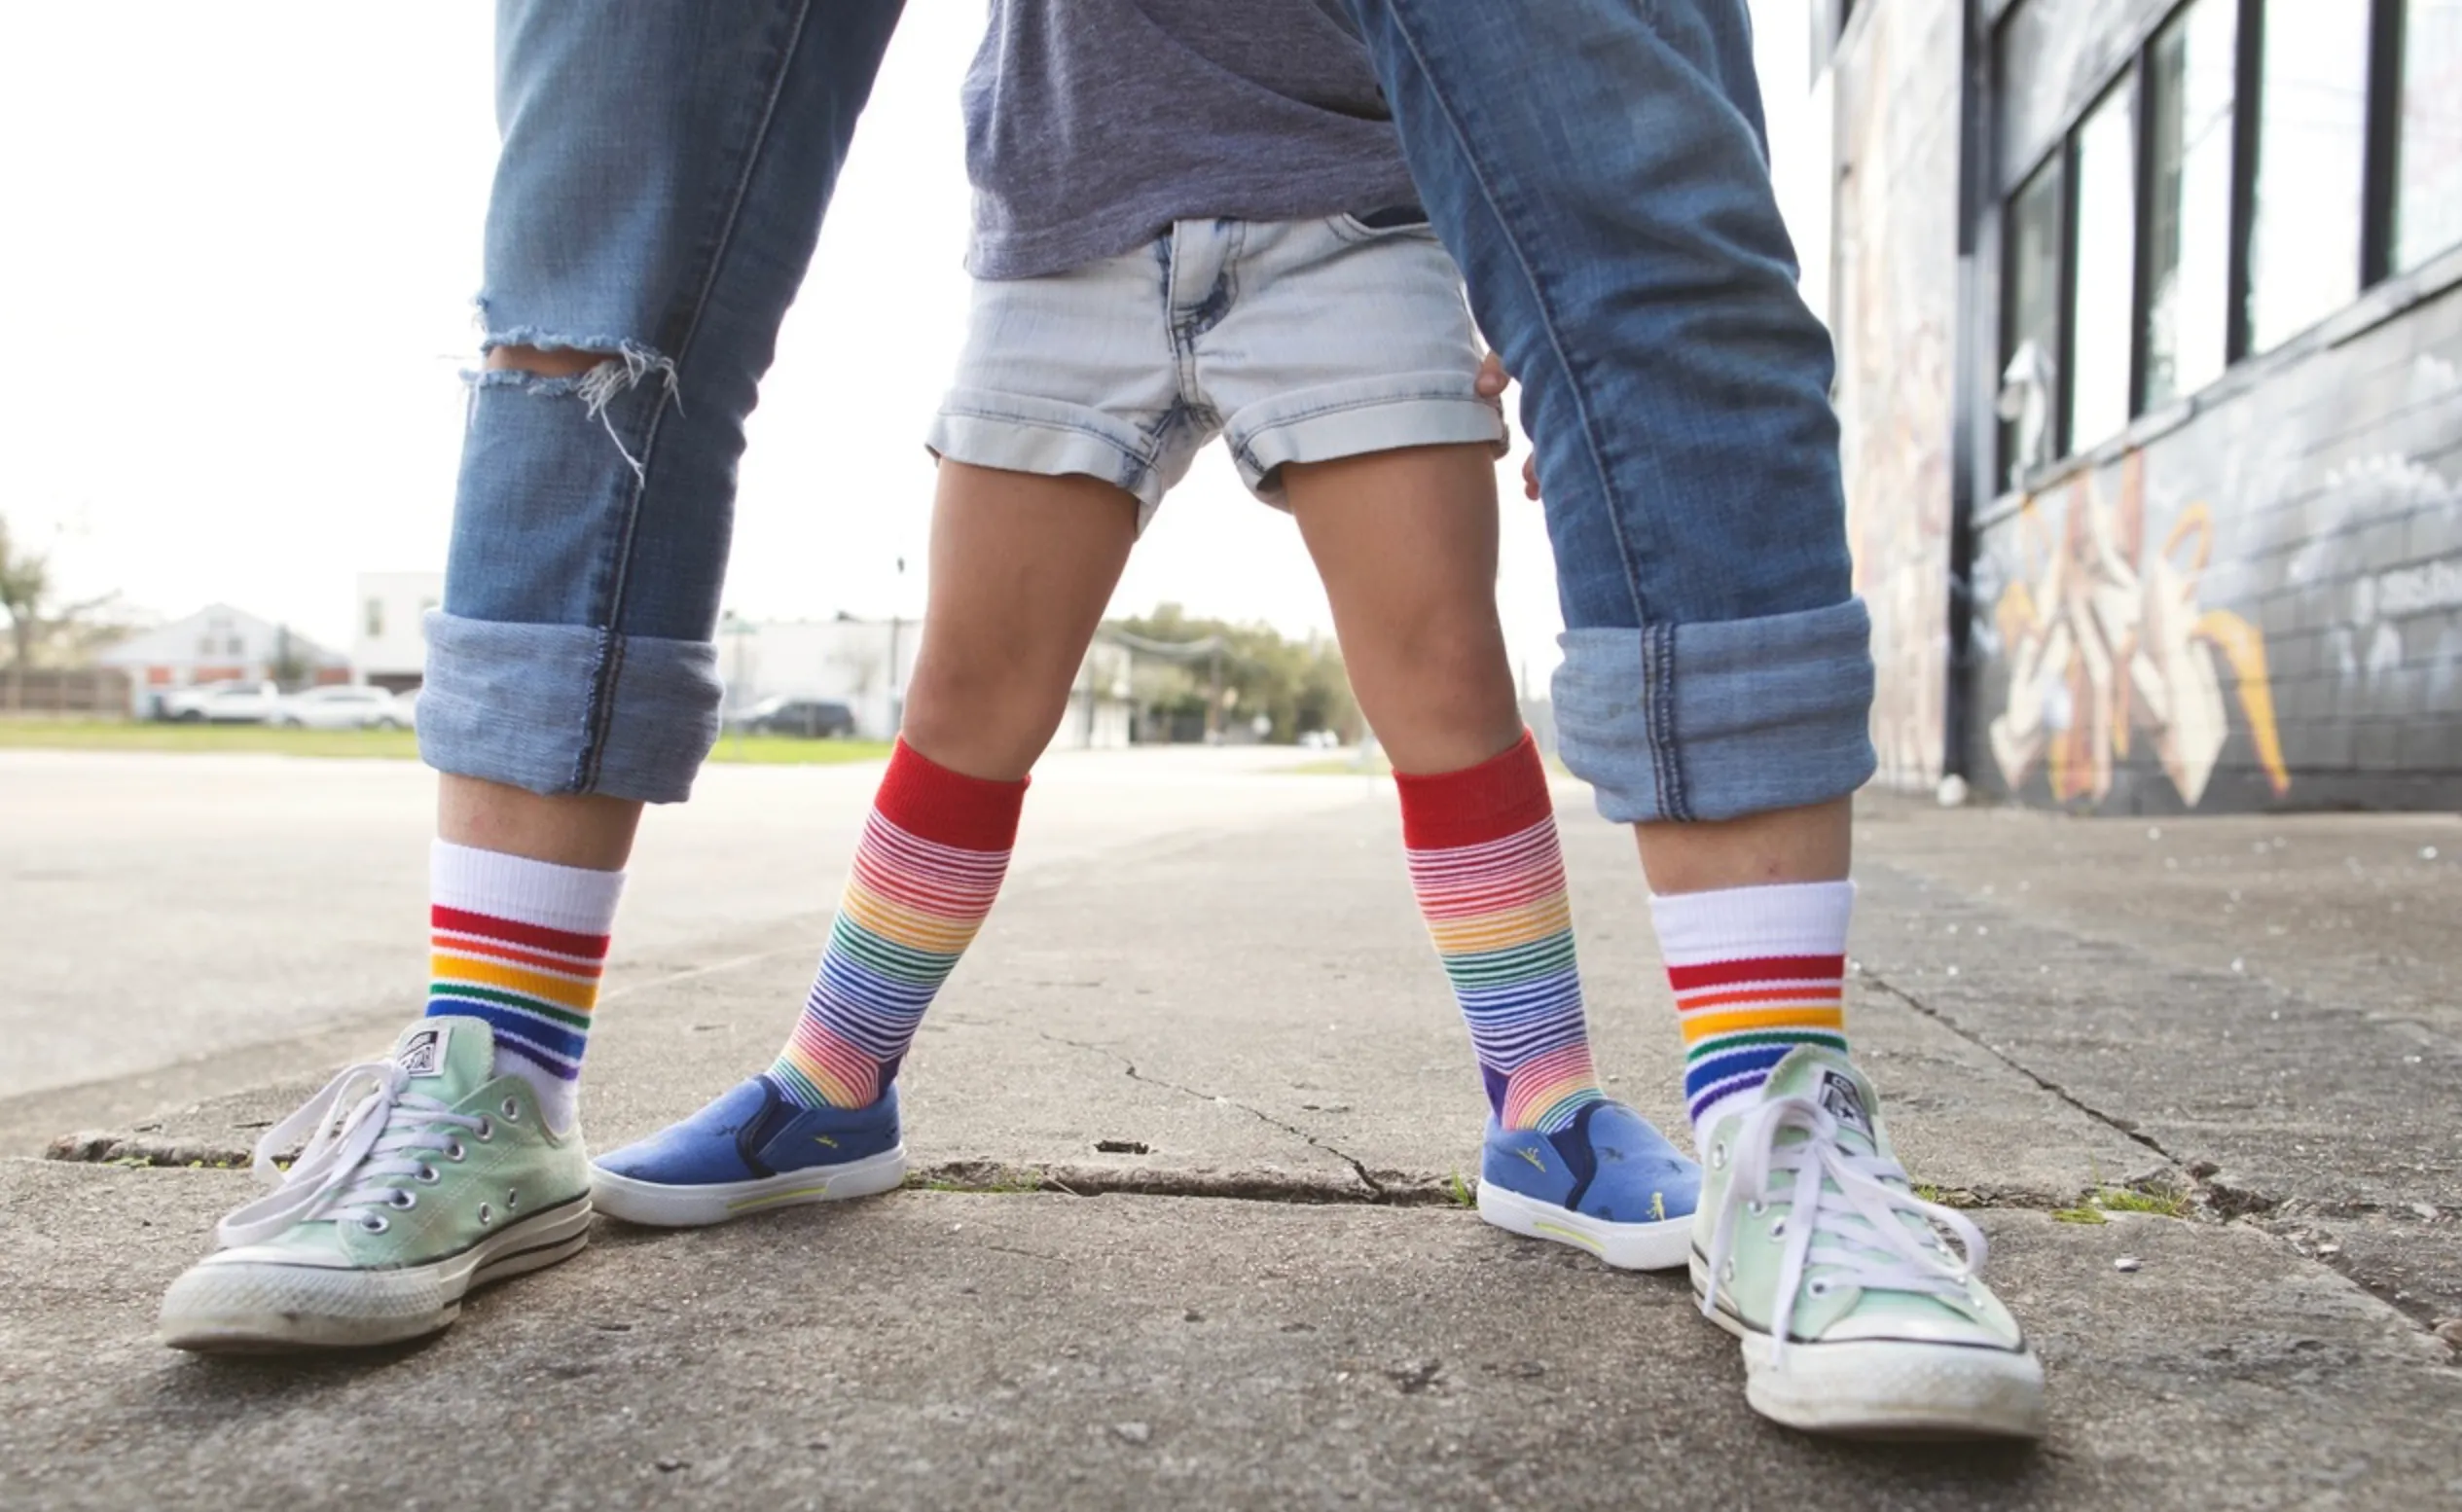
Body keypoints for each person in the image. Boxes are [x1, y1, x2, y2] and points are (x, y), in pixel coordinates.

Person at [158, 0, 2044, 1441]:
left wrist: (1514, 274)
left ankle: (1584, 1112)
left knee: (1441, 685)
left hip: (1355, 228)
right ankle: (791, 1088)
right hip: (1063, 234)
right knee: (964, 697)